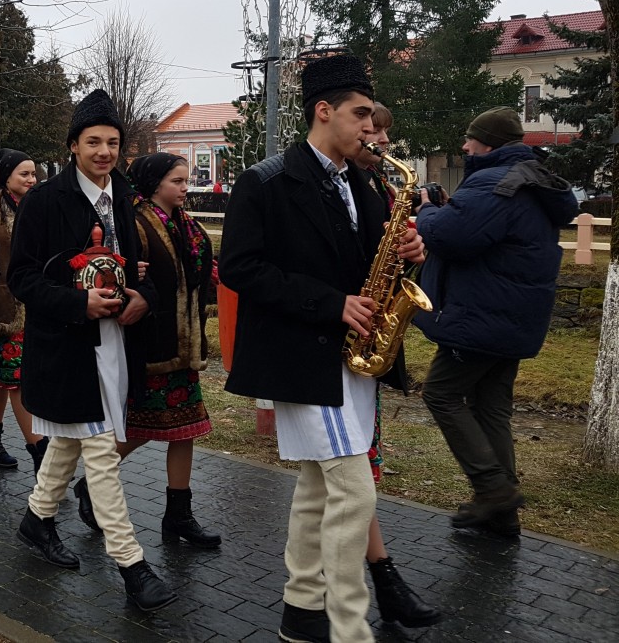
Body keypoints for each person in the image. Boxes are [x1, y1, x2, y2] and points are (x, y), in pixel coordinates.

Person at [220, 54, 424, 643]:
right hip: (303, 355)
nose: (372, 127)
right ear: (324, 110)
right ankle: (349, 627)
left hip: (351, 362)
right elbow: (239, 268)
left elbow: (370, 269)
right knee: (354, 490)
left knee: (317, 488)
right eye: (361, 114)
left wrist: (412, 256)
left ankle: (301, 609)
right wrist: (331, 304)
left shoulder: (366, 182)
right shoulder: (264, 182)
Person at [8, 89, 175, 613]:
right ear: (73, 146)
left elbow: (137, 268)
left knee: (71, 442)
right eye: (93, 142)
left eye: (112, 142)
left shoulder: (123, 197)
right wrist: (80, 304)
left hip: (115, 345)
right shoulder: (44, 200)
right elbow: (21, 279)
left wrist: (138, 296)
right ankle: (131, 565)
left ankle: (37, 521)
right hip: (67, 346)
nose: (103, 151)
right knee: (100, 450)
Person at [417, 106, 578, 537]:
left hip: (481, 318)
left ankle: (492, 490)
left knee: (441, 394)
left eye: (470, 140)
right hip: (513, 319)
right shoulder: (532, 182)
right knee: (491, 406)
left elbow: (452, 237)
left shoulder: (492, 182)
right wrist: (453, 210)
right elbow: (484, 232)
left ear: (487, 143)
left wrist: (428, 210)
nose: (465, 147)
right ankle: (503, 516)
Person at [349, 103, 441, 628]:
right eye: (371, 129)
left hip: (370, 344)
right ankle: (381, 579)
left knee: (348, 480)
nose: (378, 139)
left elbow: (393, 262)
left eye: (383, 130)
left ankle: (334, 588)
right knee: (350, 478)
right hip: (338, 341)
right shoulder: (335, 185)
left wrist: (414, 251)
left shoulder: (383, 189)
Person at [114, 152, 221, 549]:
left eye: (185, 180)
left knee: (185, 428)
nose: (184, 187)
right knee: (141, 428)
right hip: (153, 345)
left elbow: (199, 271)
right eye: (177, 181)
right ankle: (94, 485)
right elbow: (127, 278)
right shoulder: (137, 224)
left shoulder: (186, 225)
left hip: (186, 343)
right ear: (155, 183)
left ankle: (178, 513)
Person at [0, 147, 45, 471]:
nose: (32, 179)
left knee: (1, 375)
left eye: (34, 174)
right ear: (6, 177)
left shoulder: (33, 207)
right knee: (17, 378)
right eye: (25, 174)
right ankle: (40, 451)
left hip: (30, 306)